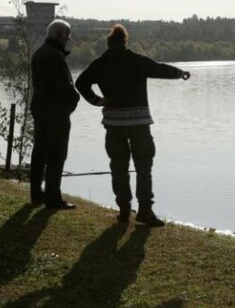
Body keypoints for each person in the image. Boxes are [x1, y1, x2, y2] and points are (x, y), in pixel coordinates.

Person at [75, 24, 190, 226]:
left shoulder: (100, 63)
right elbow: (159, 69)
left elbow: (81, 83)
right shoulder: (136, 60)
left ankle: (124, 210)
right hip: (139, 123)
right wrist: (180, 73)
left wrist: (97, 100)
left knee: (118, 167)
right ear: (125, 42)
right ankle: (145, 211)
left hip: (113, 123)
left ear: (109, 44)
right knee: (143, 167)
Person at [29, 19, 80, 209]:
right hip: (56, 111)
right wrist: (74, 101)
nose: (68, 39)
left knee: (40, 151)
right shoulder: (55, 56)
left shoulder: (39, 54)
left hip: (40, 108)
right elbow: (65, 87)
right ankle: (53, 198)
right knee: (57, 155)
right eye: (67, 35)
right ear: (59, 35)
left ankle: (36, 193)